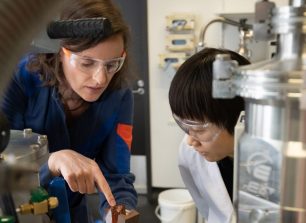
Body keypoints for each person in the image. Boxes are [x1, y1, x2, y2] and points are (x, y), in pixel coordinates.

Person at [1, 0, 137, 222]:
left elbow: (116, 178)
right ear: (60, 52)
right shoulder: (21, 78)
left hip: (72, 212)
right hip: (20, 209)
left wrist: (119, 217)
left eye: (112, 64)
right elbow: (3, 165)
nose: (101, 79)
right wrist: (51, 161)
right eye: (87, 63)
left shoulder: (119, 96)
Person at [168, 48, 250, 223]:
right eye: (184, 126)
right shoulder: (189, 151)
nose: (190, 141)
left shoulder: (272, 160)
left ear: (239, 119)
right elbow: (203, 205)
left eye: (198, 129)